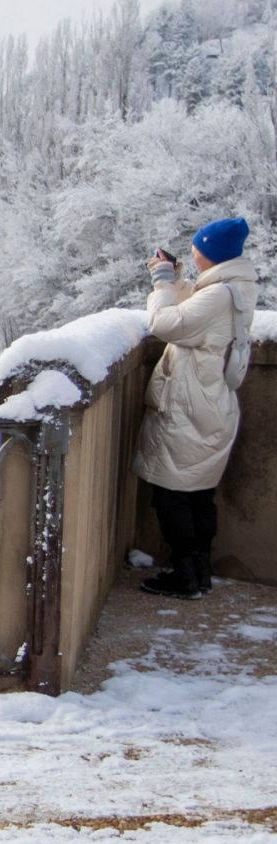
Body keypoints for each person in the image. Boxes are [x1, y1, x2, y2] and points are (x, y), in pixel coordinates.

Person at [135, 216, 257, 600]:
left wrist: (162, 283)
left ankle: (186, 576)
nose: (194, 253)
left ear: (213, 254)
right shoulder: (232, 288)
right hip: (211, 403)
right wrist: (180, 281)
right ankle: (198, 572)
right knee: (198, 494)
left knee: (173, 496)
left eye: (197, 250)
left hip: (191, 408)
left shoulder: (220, 295)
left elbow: (167, 323)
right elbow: (197, 314)